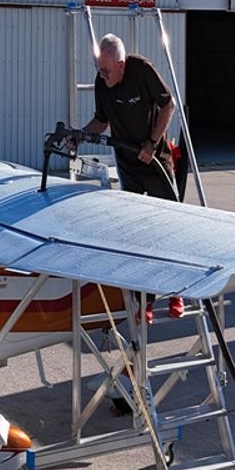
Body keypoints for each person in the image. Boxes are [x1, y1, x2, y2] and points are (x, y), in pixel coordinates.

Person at [80, 33, 183, 320]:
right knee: (136, 234)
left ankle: (176, 291)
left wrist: (151, 142)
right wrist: (81, 135)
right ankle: (144, 300)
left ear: (121, 65)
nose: (102, 76)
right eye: (99, 69)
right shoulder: (102, 82)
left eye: (107, 71)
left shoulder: (141, 70)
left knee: (169, 227)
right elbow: (101, 120)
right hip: (128, 165)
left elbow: (169, 105)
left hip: (155, 162)